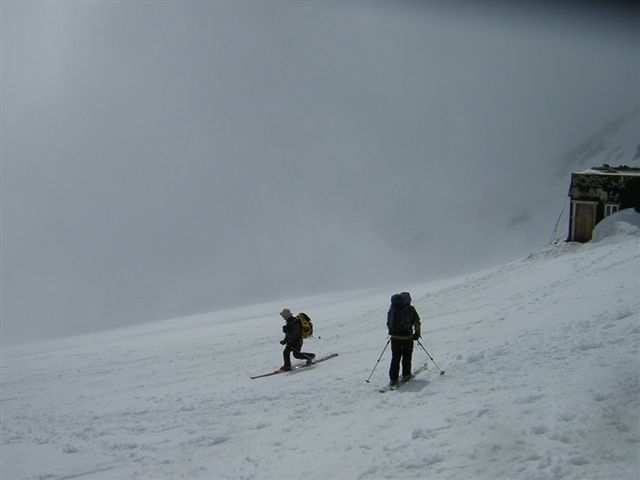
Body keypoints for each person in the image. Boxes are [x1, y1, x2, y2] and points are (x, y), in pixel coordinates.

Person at [387, 292, 421, 385]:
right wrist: (417, 334)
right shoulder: (410, 309)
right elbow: (417, 323)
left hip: (394, 338)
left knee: (395, 357)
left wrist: (392, 332)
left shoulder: (393, 307)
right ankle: (406, 375)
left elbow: (388, 321)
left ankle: (393, 379)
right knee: (407, 356)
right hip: (407, 338)